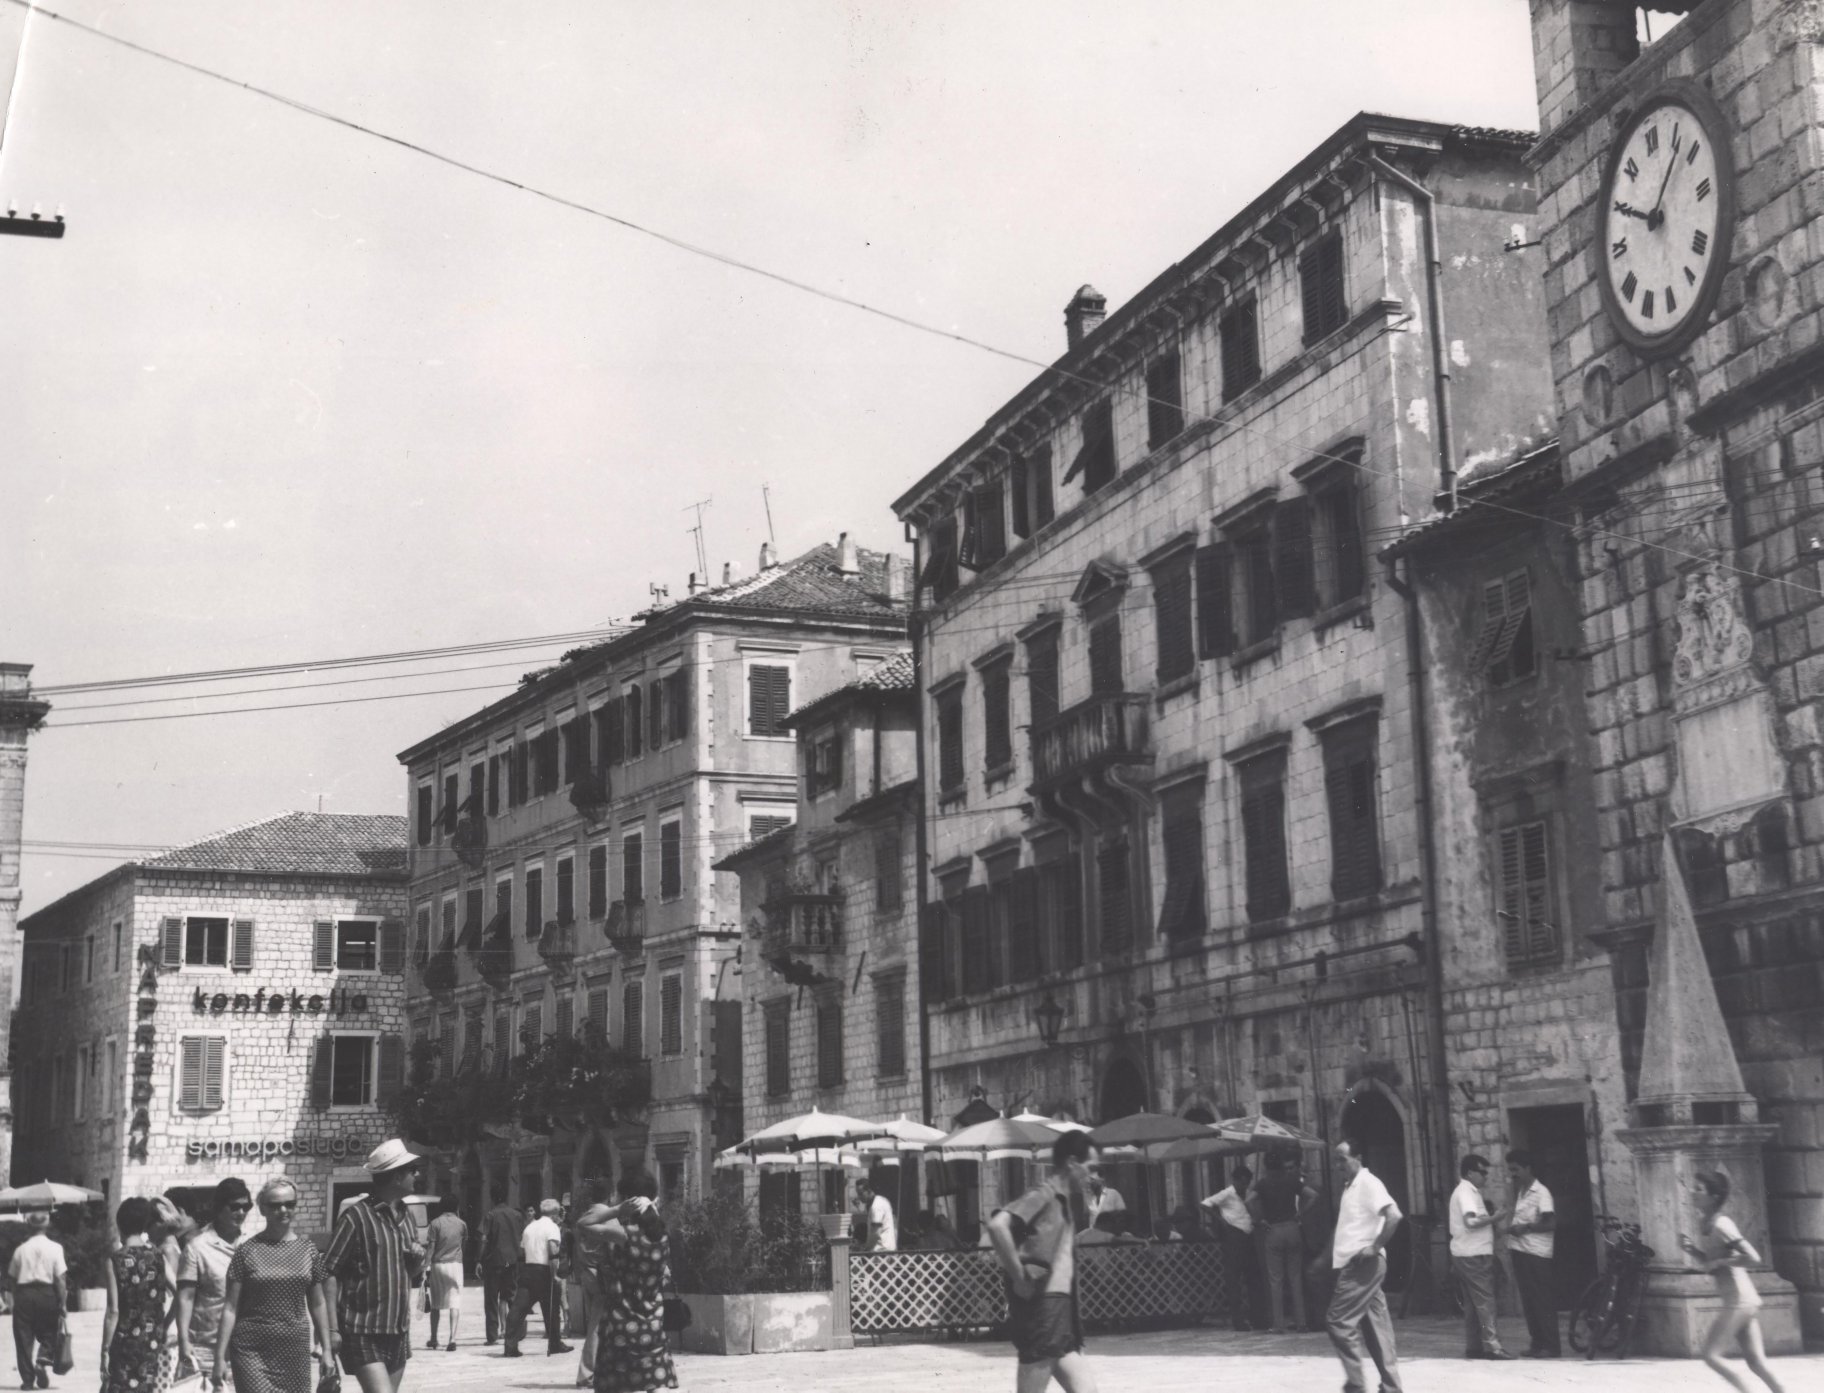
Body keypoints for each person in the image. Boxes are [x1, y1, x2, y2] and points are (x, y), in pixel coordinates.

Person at [985, 1130, 1099, 1393]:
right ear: (1072, 1163)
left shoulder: (1064, 1202)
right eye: (1090, 1167)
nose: (1093, 1176)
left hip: (1061, 1312)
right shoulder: (1044, 1195)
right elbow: (997, 1226)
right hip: (1043, 1311)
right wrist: (1018, 1277)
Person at [210, 1179, 335, 1393]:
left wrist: (327, 1350)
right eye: (275, 1205)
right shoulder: (246, 1251)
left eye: (289, 1204)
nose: (283, 1210)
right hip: (251, 1350)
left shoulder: (309, 1251)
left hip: (294, 1348)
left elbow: (318, 1303)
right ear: (262, 1209)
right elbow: (230, 1307)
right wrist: (219, 1357)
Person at [325, 1139, 428, 1393]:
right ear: (396, 1177)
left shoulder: (406, 1216)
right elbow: (328, 1272)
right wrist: (332, 1329)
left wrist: (417, 1261)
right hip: (363, 1329)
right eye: (412, 1170)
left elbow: (408, 1273)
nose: (416, 1175)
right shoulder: (356, 1217)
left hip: (398, 1330)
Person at [1680, 1171, 1786, 1393]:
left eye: (1698, 1189)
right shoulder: (1705, 1222)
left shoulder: (1722, 1224)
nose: (1692, 1192)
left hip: (1738, 1301)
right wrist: (1692, 1251)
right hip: (1742, 1300)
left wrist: (1719, 1262)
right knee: (1756, 1363)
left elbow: (1753, 1257)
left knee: (1711, 1356)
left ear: (1714, 1197)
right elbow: (1712, 1263)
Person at [576, 1172, 677, 1393]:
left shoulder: (624, 1235)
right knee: (654, 1381)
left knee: (620, 1383)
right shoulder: (663, 1237)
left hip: (622, 1321)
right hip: (653, 1321)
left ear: (628, 1203)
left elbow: (583, 1224)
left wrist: (616, 1210)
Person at [1326, 1138, 1403, 1393]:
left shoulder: (1368, 1183)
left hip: (1363, 1264)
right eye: (1336, 1160)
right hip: (1361, 1264)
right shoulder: (1351, 1186)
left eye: (1342, 1160)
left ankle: (1356, 1385)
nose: (1338, 1165)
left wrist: (1374, 1246)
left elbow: (1394, 1215)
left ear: (1358, 1157)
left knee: (1338, 1321)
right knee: (1377, 1328)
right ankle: (1391, 1387)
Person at [177, 1178, 252, 1382]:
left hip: (245, 1348)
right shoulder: (197, 1248)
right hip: (205, 1348)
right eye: (234, 1207)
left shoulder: (251, 1245)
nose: (241, 1213)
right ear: (219, 1207)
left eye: (246, 1207)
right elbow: (185, 1298)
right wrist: (183, 1341)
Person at [102, 1196, 177, 1393]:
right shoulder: (158, 1256)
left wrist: (104, 1351)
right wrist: (165, 1324)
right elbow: (179, 1293)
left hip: (124, 1343)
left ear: (120, 1225)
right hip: (152, 1341)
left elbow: (113, 1311)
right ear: (144, 1225)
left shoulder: (115, 1260)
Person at [1448, 1154, 1514, 1361]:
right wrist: (1496, 1217)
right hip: (1474, 1255)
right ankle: (1492, 1347)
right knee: (1485, 1302)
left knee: (1472, 1304)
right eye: (1482, 1172)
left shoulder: (1465, 1192)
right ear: (1470, 1173)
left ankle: (1474, 1346)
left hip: (1465, 1253)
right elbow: (1471, 1222)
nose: (1485, 1177)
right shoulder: (1467, 1192)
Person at [1501, 1149, 1559, 1358]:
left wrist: (1525, 1228)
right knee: (1529, 1300)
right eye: (1510, 1170)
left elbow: (1550, 1223)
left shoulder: (1541, 1193)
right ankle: (1538, 1343)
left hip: (1536, 1253)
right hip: (1520, 1250)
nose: (1513, 1174)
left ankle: (1551, 1346)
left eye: (1516, 1170)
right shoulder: (1521, 1191)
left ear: (1528, 1168)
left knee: (1541, 1299)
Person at [1251, 1152, 1316, 1334]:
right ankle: (1301, 1322)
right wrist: (1301, 1214)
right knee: (1295, 1278)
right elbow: (1313, 1195)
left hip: (1273, 1230)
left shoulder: (1262, 1184)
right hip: (1293, 1228)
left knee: (1275, 1279)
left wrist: (1259, 1219)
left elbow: (1249, 1200)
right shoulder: (1291, 1181)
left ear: (1266, 1167)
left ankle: (1278, 1324)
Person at [503, 1198, 572, 1357]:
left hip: (528, 1269)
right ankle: (555, 1344)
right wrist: (554, 1275)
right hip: (544, 1271)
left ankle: (510, 1345)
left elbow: (521, 1251)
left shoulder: (530, 1227)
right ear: (554, 1213)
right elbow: (553, 1251)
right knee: (552, 1310)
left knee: (518, 1309)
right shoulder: (552, 1227)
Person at [8, 1209, 65, 1390]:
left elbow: (12, 1279)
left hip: (24, 1294)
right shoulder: (56, 1248)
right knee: (51, 1330)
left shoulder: (20, 1250)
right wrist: (63, 1303)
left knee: (23, 1338)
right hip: (47, 1293)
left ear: (29, 1225)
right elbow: (60, 1279)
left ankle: (27, 1380)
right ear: (47, 1225)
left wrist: (14, 1299)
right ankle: (43, 1357)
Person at [1200, 1164, 1259, 1330]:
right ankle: (1238, 1321)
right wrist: (1220, 1221)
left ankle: (1257, 1318)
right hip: (1233, 1235)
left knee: (1253, 1277)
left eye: (1246, 1182)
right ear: (1235, 1180)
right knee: (1234, 1279)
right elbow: (1205, 1204)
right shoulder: (1227, 1193)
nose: (1244, 1186)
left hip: (1248, 1235)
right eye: (1241, 1182)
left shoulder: (1248, 1193)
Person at [479, 1194, 525, 1346]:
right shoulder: (517, 1215)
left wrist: (479, 1259)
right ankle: (517, 1331)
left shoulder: (490, 1215)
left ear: (493, 1198)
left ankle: (492, 1336)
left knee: (491, 1299)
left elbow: (484, 1240)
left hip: (494, 1262)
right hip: (512, 1261)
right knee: (512, 1296)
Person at [423, 1200, 467, 1352]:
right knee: (455, 1302)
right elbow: (464, 1244)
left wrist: (425, 1266)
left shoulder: (435, 1223)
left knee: (436, 1304)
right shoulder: (462, 1224)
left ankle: (434, 1338)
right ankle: (452, 1339)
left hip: (438, 1265)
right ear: (456, 1207)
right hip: (455, 1265)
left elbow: (431, 1247)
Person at [855, 1180, 898, 1252]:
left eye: (860, 1194)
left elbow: (876, 1232)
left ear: (868, 1191)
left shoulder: (876, 1206)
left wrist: (866, 1248)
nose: (859, 1197)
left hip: (881, 1250)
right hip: (887, 1248)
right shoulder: (882, 1200)